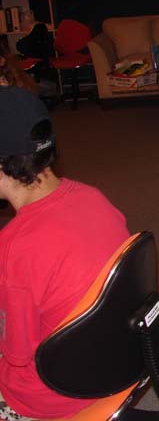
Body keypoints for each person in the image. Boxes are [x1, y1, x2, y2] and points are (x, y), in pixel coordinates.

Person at [0, 86, 130, 420]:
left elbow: (17, 355)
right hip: (122, 361)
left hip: (58, 392)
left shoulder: (15, 245)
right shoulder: (92, 196)